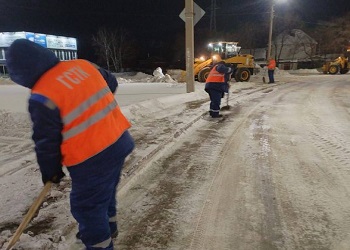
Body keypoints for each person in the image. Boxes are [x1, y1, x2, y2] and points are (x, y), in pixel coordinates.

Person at [5, 39, 135, 250]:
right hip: (119, 140)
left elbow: (47, 142)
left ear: (20, 73)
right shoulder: (82, 65)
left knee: (87, 207)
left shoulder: (42, 96)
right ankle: (108, 228)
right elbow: (110, 83)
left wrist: (51, 171)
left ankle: (99, 244)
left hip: (91, 157)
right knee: (105, 190)